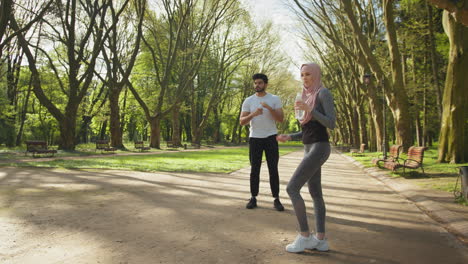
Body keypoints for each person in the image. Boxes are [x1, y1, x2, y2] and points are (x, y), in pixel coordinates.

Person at [276, 63, 336, 253]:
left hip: (320, 147)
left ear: (316, 74)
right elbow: (307, 131)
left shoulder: (323, 93)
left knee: (292, 188)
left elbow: (331, 123)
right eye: (302, 74)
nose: (305, 77)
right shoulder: (304, 96)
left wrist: (310, 110)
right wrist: (290, 136)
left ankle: (304, 236)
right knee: (315, 193)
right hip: (309, 146)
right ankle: (321, 239)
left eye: (308, 74)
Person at [240, 73, 285, 211]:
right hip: (255, 138)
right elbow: (242, 122)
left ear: (265, 84)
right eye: (255, 83)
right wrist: (253, 114)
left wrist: (269, 108)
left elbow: (281, 119)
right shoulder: (248, 100)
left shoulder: (274, 99)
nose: (257, 85)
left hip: (271, 137)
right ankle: (253, 197)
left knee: (273, 169)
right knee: (255, 169)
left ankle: (276, 199)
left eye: (259, 83)